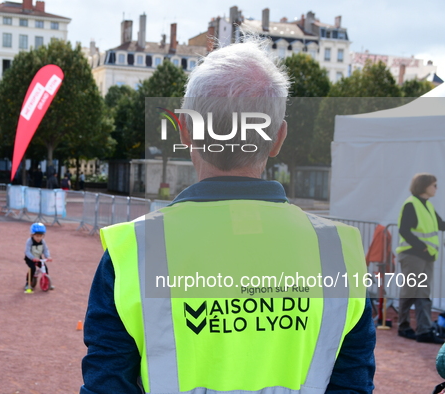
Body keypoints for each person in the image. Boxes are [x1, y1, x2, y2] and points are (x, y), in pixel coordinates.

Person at [80, 35, 375, 393]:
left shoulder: (134, 252)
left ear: (185, 130)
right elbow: (352, 383)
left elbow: (107, 384)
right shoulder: (339, 253)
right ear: (279, 137)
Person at [396, 173, 445, 344]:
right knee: (410, 292)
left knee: (423, 293)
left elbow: (441, 225)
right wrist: (422, 247)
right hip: (413, 255)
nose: (436, 188)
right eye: (434, 185)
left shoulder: (427, 206)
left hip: (426, 256)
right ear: (424, 186)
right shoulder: (411, 204)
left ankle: (424, 330)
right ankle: (403, 327)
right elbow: (404, 231)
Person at [24, 222, 54, 292]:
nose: (39, 238)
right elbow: (27, 251)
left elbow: (45, 250)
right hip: (30, 258)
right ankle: (28, 284)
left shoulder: (43, 241)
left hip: (38, 257)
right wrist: (32, 258)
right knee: (32, 268)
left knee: (45, 268)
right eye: (37, 236)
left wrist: (48, 256)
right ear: (32, 235)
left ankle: (47, 282)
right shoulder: (29, 241)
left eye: (41, 236)